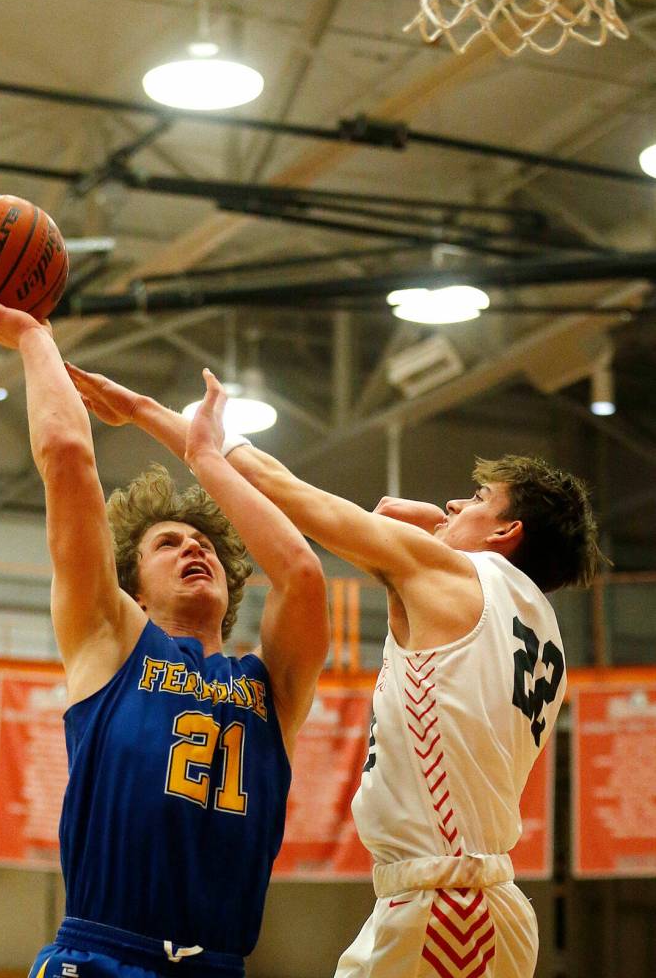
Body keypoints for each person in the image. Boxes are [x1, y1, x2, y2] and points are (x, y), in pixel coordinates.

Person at [66, 361, 602, 978]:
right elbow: (394, 516)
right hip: (458, 898)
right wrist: (434, 527)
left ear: (508, 531)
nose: (453, 502)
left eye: (477, 499)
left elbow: (283, 489)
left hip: (447, 900)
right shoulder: (542, 631)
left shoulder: (455, 577)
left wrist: (145, 413)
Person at [0, 279, 330, 978]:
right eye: (168, 544)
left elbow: (302, 572)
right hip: (101, 955)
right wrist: (36, 338)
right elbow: (67, 455)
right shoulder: (112, 638)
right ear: (131, 587)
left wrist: (206, 457)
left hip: (219, 965)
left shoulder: (270, 686)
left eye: (205, 543)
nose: (195, 548)